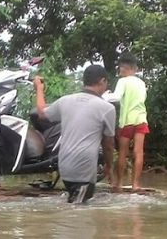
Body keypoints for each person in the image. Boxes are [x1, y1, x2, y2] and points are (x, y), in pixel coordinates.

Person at [34, 65, 116, 203]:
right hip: (84, 168)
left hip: (64, 166)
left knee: (74, 204)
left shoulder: (65, 101)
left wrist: (39, 89)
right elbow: (108, 145)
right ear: (102, 81)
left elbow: (41, 113)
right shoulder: (107, 108)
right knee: (79, 214)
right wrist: (109, 166)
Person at [106, 52, 148, 192]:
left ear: (125, 68)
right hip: (141, 120)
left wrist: (104, 97)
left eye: (120, 68)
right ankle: (136, 185)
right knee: (139, 152)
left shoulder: (123, 81)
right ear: (135, 68)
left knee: (123, 153)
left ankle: (119, 184)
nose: (120, 71)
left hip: (127, 121)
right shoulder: (142, 83)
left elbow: (116, 98)